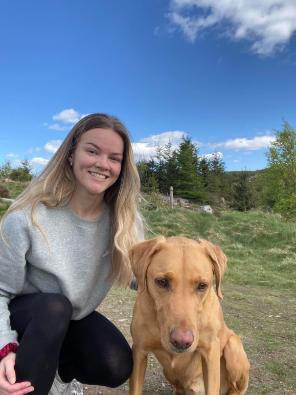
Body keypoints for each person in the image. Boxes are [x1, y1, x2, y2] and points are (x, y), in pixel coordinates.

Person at [0, 113, 143, 395]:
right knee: (55, 307)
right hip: (25, 320)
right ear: (70, 154)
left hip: (70, 322)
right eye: (92, 151)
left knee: (116, 364)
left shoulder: (123, 223)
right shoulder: (27, 217)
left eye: (114, 158)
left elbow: (146, 276)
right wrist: (5, 348)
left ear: (122, 167)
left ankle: (56, 376)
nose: (103, 164)